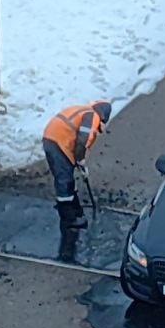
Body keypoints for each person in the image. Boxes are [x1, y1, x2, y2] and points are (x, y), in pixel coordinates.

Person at [42, 100, 112, 235]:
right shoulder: (92, 117)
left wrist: (78, 163)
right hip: (58, 141)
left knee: (66, 174)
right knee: (64, 180)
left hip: (53, 137)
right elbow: (82, 142)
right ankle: (68, 217)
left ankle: (73, 205)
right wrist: (81, 161)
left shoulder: (83, 110)